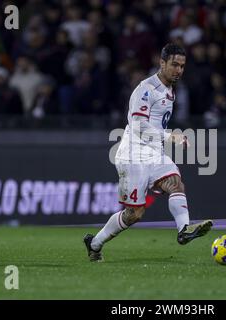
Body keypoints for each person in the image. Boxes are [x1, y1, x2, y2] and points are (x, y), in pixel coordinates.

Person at [83, 43, 213, 262]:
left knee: (175, 183)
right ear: (161, 63)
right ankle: (94, 243)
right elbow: (138, 124)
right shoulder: (146, 89)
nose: (179, 70)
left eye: (182, 66)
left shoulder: (171, 89)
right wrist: (170, 136)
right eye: (174, 65)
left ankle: (184, 230)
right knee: (134, 214)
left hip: (154, 153)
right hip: (132, 155)